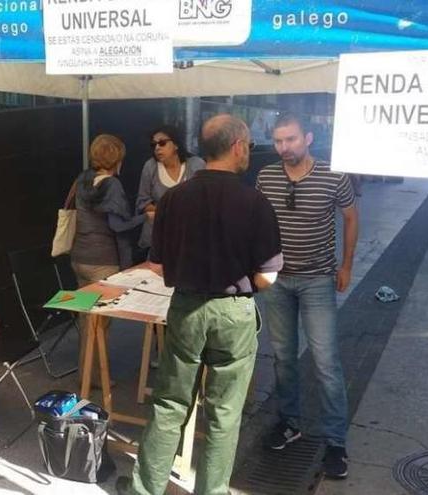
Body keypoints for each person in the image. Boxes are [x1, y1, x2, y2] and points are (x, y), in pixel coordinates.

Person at [117, 115, 283, 495]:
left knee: (169, 404)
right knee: (224, 413)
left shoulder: (173, 199)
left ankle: (146, 489)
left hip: (185, 309)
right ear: (239, 145)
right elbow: (268, 278)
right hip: (233, 311)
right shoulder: (255, 202)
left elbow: (157, 264)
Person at [255, 113, 358, 479]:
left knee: (326, 362)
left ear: (309, 138)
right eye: (279, 141)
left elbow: (350, 217)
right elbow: (258, 220)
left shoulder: (334, 174)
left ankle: (335, 441)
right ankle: (289, 422)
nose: (284, 147)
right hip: (277, 281)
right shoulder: (266, 176)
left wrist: (345, 265)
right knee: (283, 358)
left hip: (317, 280)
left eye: (292, 139)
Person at [70, 134, 147, 384]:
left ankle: (85, 374)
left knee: (86, 319)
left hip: (80, 257)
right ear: (117, 159)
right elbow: (118, 226)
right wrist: (146, 217)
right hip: (103, 261)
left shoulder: (83, 180)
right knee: (100, 324)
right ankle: (96, 378)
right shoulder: (112, 186)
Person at [135, 125, 205, 253]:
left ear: (176, 144)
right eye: (154, 144)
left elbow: (206, 200)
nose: (157, 148)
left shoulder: (196, 165)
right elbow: (142, 203)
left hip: (190, 236)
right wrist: (172, 210)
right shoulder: (150, 166)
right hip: (157, 239)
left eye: (162, 143)